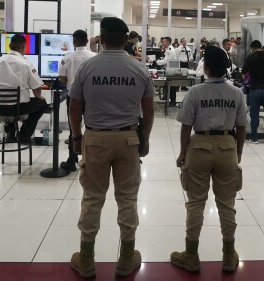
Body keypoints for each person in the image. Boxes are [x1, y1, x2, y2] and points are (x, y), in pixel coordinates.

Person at [68, 17, 155, 278]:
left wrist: (76, 137)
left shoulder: (87, 67)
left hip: (95, 139)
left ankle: (86, 259)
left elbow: (74, 107)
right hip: (128, 139)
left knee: (93, 198)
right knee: (127, 198)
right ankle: (127, 258)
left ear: (102, 39)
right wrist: (146, 139)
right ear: (126, 39)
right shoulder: (139, 69)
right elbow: (148, 110)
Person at [172, 45, 246, 273]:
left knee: (195, 202)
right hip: (226, 148)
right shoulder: (236, 93)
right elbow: (242, 127)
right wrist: (238, 153)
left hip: (200, 147)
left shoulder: (195, 92)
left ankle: (191, 256)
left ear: (206, 67)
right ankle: (228, 255)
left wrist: (183, 152)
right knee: (227, 204)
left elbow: (186, 126)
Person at [0, 34, 48, 143]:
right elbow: (37, 90)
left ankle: (10, 130)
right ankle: (24, 135)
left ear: (10, 46)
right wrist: (39, 96)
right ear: (23, 48)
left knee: (10, 104)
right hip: (18, 109)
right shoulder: (26, 64)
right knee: (42, 104)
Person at [58, 30, 96, 172]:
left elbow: (62, 79)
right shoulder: (95, 57)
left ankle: (72, 160)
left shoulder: (66, 58)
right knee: (92, 128)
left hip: (73, 98)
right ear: (87, 41)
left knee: (74, 129)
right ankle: (91, 159)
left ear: (74, 41)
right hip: (92, 98)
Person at [242, 40, 264, 145]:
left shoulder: (251, 57)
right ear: (260, 47)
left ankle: (254, 138)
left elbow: (244, 71)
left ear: (252, 48)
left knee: (254, 114)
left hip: (255, 89)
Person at [157, 36, 179, 106]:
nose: (162, 43)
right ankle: (166, 97)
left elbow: (166, 61)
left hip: (171, 70)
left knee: (172, 86)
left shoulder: (170, 50)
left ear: (168, 42)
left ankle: (173, 100)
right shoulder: (167, 49)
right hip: (168, 69)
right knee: (167, 85)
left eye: (164, 41)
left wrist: (157, 62)